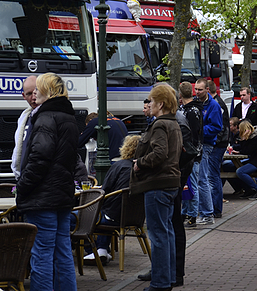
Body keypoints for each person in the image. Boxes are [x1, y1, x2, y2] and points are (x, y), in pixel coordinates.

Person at [16, 72, 79, 291]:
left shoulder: (44, 117)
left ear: (47, 91)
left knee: (41, 254)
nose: (34, 93)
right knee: (62, 252)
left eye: (37, 89)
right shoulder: (69, 117)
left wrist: (22, 187)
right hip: (62, 196)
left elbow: (39, 158)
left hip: (42, 198)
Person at [131, 84, 182, 291]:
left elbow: (159, 153)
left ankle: (160, 283)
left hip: (158, 184)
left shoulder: (160, 125)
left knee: (159, 235)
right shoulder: (173, 124)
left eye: (151, 101)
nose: (148, 104)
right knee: (166, 233)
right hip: (170, 183)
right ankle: (167, 278)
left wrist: (139, 163)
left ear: (160, 104)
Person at [84, 135, 140, 264]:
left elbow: (106, 190)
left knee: (77, 219)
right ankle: (102, 249)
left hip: (112, 214)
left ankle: (93, 250)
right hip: (134, 216)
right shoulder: (145, 169)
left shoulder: (119, 166)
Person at [193, 78, 222, 226]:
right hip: (197, 143)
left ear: (207, 90)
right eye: (196, 89)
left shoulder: (213, 106)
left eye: (200, 90)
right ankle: (202, 211)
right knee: (198, 179)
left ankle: (207, 213)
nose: (197, 92)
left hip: (205, 144)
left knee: (202, 179)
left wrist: (198, 131)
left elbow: (217, 127)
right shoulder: (196, 102)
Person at [179, 82, 204, 228]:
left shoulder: (191, 111)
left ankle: (193, 214)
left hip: (192, 153)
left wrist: (192, 150)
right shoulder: (190, 109)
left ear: (181, 95)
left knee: (192, 183)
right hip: (190, 152)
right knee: (186, 184)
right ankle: (185, 211)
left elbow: (194, 134)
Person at [207, 80, 230, 218]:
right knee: (213, 175)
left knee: (213, 175)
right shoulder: (218, 103)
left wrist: (214, 141)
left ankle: (216, 208)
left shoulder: (217, 104)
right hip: (220, 143)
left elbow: (220, 127)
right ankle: (215, 207)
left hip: (218, 145)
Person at [233, 121, 257, 199]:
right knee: (230, 166)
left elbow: (246, 150)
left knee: (240, 171)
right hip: (256, 160)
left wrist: (243, 139)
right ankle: (248, 189)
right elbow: (244, 149)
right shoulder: (253, 136)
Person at [11, 75, 37, 180]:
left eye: (36, 92)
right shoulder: (24, 117)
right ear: (23, 96)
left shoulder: (48, 117)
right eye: (29, 94)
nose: (33, 97)